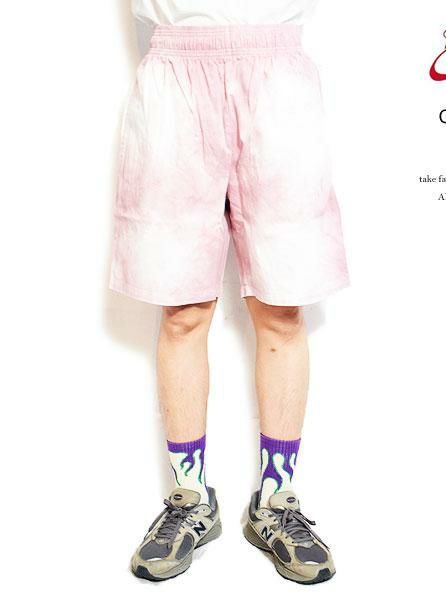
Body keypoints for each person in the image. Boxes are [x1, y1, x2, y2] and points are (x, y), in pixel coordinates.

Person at [110, 0, 349, 585]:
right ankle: (190, 499)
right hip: (173, 78)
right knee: (183, 309)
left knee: (282, 308)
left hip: (278, 80)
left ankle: (276, 503)